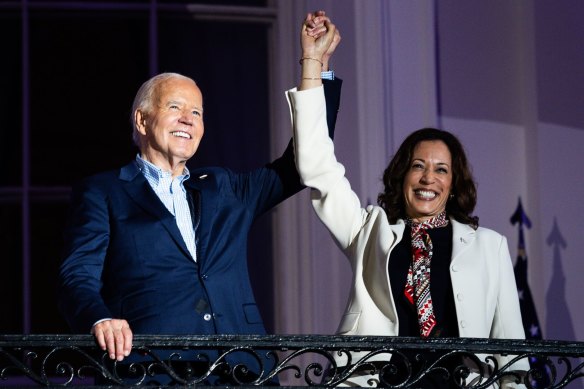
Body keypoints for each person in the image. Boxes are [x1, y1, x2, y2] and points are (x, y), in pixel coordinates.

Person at [57, 11, 342, 385]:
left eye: (197, 112)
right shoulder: (103, 191)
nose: (188, 119)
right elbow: (77, 275)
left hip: (241, 369)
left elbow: (301, 163)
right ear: (142, 121)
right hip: (151, 371)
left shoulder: (224, 187)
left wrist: (314, 65)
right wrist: (99, 318)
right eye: (175, 107)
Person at [286, 15, 529, 389]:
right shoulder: (369, 233)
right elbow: (317, 168)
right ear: (402, 176)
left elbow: (512, 357)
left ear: (454, 183)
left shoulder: (490, 247)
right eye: (418, 166)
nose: (428, 178)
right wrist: (313, 64)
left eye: (441, 170)